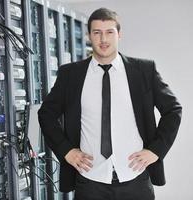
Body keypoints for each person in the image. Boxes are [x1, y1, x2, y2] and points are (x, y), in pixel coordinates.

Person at [38, 7, 182, 200]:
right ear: (89, 36)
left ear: (119, 34)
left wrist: (156, 150)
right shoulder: (70, 75)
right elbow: (46, 113)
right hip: (89, 182)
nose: (103, 39)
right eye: (97, 33)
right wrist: (66, 151)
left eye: (109, 32)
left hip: (135, 179)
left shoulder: (144, 71)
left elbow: (173, 110)